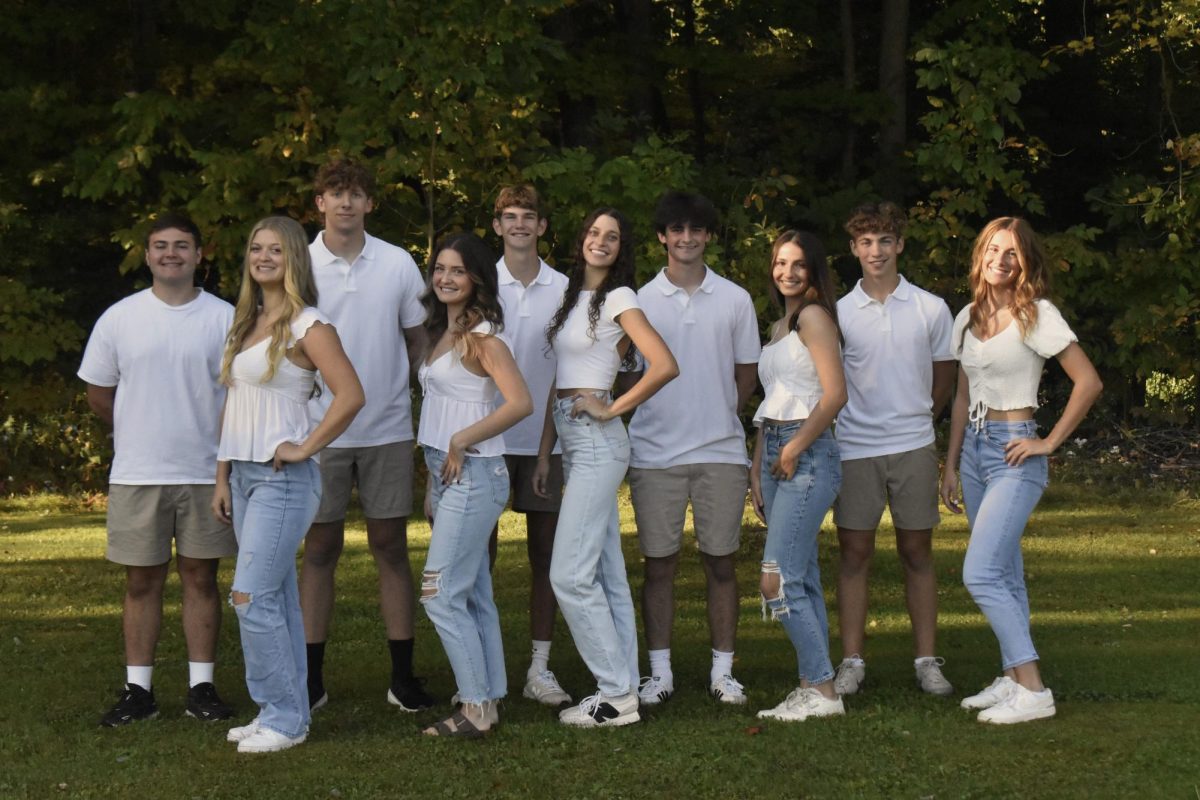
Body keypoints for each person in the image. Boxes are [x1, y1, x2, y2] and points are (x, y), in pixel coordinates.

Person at [940, 218, 1101, 724]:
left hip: (1016, 450)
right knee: (1006, 573)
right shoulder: (965, 317)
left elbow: (1088, 381)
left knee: (981, 571)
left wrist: (1048, 441)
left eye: (1011, 253)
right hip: (974, 455)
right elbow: (963, 394)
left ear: (1025, 261)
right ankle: (1011, 678)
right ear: (980, 255)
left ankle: (1033, 690)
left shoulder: (1038, 315)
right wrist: (950, 462)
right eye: (993, 249)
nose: (1000, 260)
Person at [79, 213, 237, 727]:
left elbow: (241, 394)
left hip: (204, 472)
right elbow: (100, 395)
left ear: (198, 256)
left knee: (201, 577)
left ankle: (201, 688)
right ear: (147, 256)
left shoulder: (224, 317)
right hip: (138, 472)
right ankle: (138, 692)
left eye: (182, 245)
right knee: (141, 582)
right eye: (160, 246)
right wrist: (140, 425)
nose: (171, 253)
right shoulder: (120, 318)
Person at [214, 216, 364, 753]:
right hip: (247, 476)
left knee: (249, 596)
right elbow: (234, 401)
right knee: (274, 598)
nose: (264, 257)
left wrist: (305, 447)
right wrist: (223, 473)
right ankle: (283, 711)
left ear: (294, 257)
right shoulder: (247, 320)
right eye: (256, 247)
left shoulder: (309, 325)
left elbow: (350, 395)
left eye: (275, 249)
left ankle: (283, 719)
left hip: (284, 479)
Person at [533, 208, 678, 727]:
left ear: (621, 249)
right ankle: (625, 689)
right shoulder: (575, 299)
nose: (600, 241)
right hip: (574, 441)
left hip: (597, 440)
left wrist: (612, 407)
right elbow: (561, 377)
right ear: (581, 239)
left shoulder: (620, 297)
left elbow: (664, 364)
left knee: (569, 575)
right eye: (594, 232)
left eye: (612, 236)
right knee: (605, 571)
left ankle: (614, 693)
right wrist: (547, 449)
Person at [299, 158, 432, 712]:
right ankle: (310, 679)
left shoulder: (398, 263)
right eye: (336, 193)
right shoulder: (298, 263)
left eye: (356, 193)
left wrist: (418, 393)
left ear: (370, 203)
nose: (346, 202)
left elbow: (418, 341)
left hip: (387, 429)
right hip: (317, 431)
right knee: (320, 549)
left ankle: (402, 677)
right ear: (320, 203)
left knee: (390, 547)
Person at [623, 191, 760, 706]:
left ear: (708, 236)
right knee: (658, 564)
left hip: (720, 452)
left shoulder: (735, 298)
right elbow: (626, 374)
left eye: (695, 230)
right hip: (654, 452)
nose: (686, 238)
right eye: (676, 229)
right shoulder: (637, 300)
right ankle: (659, 674)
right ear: (662, 236)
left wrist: (719, 410)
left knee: (721, 562)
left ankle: (723, 672)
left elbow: (746, 374)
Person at [832, 201, 956, 696]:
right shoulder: (839, 312)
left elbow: (943, 380)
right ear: (853, 249)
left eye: (885, 240)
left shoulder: (930, 308)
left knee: (916, 551)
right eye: (866, 242)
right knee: (854, 554)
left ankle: (927, 660)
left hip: (913, 445)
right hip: (855, 448)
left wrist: (918, 421)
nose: (876, 251)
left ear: (900, 244)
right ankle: (851, 661)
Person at [416, 233, 533, 737]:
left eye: (457, 270)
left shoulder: (482, 337)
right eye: (440, 268)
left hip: (476, 473)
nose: (446, 277)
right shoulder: (441, 332)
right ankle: (488, 697)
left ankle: (476, 709)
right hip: (446, 474)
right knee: (474, 593)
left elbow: (520, 402)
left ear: (477, 279)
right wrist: (430, 479)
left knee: (439, 594)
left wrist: (462, 439)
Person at [749, 231, 848, 722]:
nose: (787, 272)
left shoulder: (813, 317)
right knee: (801, 576)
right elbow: (770, 405)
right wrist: (757, 466)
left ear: (814, 271)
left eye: (798, 265)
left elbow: (834, 395)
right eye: (780, 263)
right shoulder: (778, 326)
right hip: (775, 450)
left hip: (807, 453)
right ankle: (813, 684)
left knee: (776, 580)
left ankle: (825, 690)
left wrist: (794, 447)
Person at [490, 185, 572, 706]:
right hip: (488, 439)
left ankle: (539, 669)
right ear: (497, 225)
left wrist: (548, 447)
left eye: (529, 216)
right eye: (510, 216)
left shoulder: (565, 288)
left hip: (548, 440)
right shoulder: (479, 282)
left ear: (542, 226)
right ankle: (482, 670)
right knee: (480, 557)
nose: (520, 224)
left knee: (547, 557)